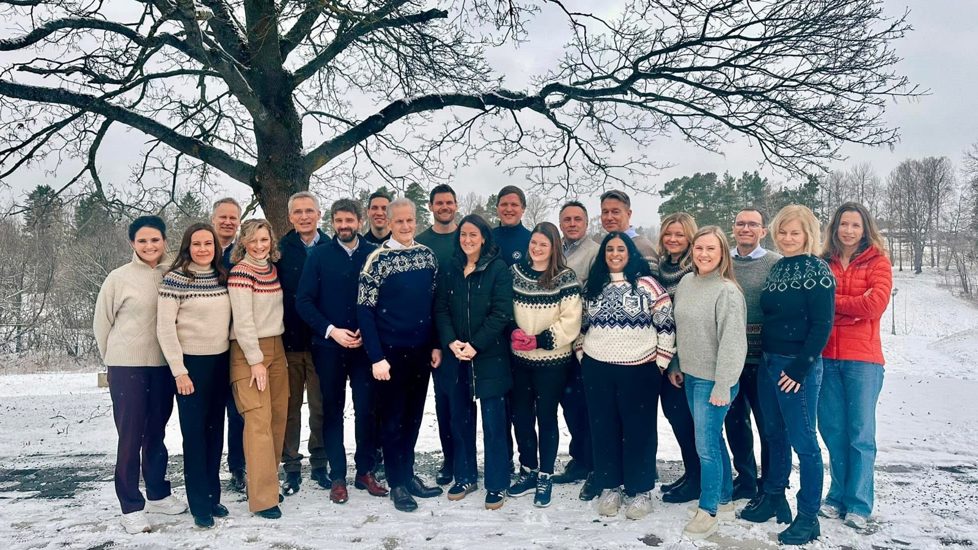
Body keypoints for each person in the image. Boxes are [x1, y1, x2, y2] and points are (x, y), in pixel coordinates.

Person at [740, 204, 835, 546]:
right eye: (782, 231)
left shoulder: (818, 270)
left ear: (808, 234)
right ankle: (773, 496)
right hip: (768, 363)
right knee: (773, 434)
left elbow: (823, 324)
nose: (788, 238)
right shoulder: (778, 267)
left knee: (804, 443)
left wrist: (799, 369)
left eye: (795, 232)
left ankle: (808, 516)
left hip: (797, 368)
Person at [93, 215, 187, 534]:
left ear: (164, 241)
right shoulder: (118, 278)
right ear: (132, 243)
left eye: (155, 239)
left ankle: (158, 493)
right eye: (142, 240)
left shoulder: (174, 273)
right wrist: (114, 359)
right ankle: (130, 505)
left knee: (156, 432)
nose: (149, 245)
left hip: (163, 365)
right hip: (126, 366)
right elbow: (102, 323)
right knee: (131, 435)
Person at [577, 232, 675, 520]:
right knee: (603, 429)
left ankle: (640, 490)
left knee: (639, 431)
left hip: (640, 368)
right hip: (598, 369)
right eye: (610, 249)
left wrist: (660, 363)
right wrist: (584, 356)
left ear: (630, 253)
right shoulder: (594, 286)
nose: (615, 254)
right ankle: (610, 486)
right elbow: (580, 326)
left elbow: (666, 324)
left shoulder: (648, 285)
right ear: (603, 254)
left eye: (621, 249)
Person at [296, 199, 388, 504]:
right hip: (328, 347)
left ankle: (365, 471)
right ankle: (337, 476)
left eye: (349, 220)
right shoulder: (320, 256)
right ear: (332, 222)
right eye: (339, 221)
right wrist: (331, 330)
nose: (344, 226)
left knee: (367, 409)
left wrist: (368, 329)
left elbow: (384, 297)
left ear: (360, 222)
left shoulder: (373, 254)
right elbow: (304, 301)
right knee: (332, 410)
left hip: (364, 347)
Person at [357, 198, 443, 512]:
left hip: (420, 352)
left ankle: (407, 474)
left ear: (416, 221)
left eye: (410, 220)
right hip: (389, 355)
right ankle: (397, 483)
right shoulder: (377, 260)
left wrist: (435, 344)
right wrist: (376, 357)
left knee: (413, 417)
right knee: (392, 420)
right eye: (399, 221)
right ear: (389, 223)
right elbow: (364, 311)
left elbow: (434, 304)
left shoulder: (427, 257)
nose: (405, 226)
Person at [818, 202, 893, 532]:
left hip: (863, 360)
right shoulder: (823, 262)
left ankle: (859, 503)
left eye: (855, 225)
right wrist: (852, 309)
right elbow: (815, 305)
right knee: (833, 431)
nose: (848, 230)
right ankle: (837, 497)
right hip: (825, 358)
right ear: (835, 227)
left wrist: (834, 305)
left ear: (865, 230)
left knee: (860, 434)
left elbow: (874, 305)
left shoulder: (878, 262)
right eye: (843, 224)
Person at [434, 214, 514, 509]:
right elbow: (441, 308)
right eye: (463, 235)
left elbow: (501, 312)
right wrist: (451, 341)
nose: (467, 240)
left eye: (473, 235)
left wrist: (475, 345)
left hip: (489, 356)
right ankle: (465, 475)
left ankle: (497, 482)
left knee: (494, 423)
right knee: (460, 419)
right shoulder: (451, 267)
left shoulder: (498, 269)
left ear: (483, 238)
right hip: (456, 356)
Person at [157, 223, 232, 529]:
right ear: (188, 247)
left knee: (215, 433)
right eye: (197, 244)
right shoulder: (175, 279)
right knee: (195, 436)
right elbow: (165, 328)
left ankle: (213, 497)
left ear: (216, 247)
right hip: (190, 366)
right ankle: (199, 503)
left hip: (221, 363)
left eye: (208, 244)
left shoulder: (222, 277)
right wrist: (179, 371)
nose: (203, 249)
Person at [674, 226, 747, 540]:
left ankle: (709, 512)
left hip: (714, 381)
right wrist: (676, 363)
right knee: (713, 441)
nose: (703, 254)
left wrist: (723, 384)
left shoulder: (727, 291)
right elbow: (681, 328)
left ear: (722, 254)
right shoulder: (686, 282)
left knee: (705, 448)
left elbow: (733, 343)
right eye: (699, 248)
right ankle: (725, 500)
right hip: (691, 375)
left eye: (711, 249)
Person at [508, 222, 583, 508]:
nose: (537, 249)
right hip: (520, 360)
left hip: (552, 362)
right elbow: (504, 306)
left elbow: (571, 321)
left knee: (547, 417)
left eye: (543, 244)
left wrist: (540, 340)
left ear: (553, 248)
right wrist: (512, 331)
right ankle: (528, 469)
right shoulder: (515, 273)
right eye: (534, 243)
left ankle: (545, 474)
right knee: (521, 417)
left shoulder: (565, 278)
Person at [228, 219, 289, 520]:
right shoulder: (241, 273)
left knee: (277, 419)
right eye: (252, 240)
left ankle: (268, 484)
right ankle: (262, 499)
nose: (259, 245)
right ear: (243, 242)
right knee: (258, 423)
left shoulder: (272, 270)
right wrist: (255, 360)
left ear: (271, 241)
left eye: (264, 239)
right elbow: (242, 322)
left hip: (276, 346)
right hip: (249, 350)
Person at [726, 208, 781, 501]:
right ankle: (745, 479)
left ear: (763, 231)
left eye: (752, 224)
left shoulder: (775, 263)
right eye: (740, 223)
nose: (746, 228)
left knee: (768, 425)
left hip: (763, 360)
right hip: (730, 359)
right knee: (735, 424)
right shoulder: (724, 261)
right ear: (733, 228)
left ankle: (770, 483)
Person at [276, 191, 328, 496]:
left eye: (310, 211)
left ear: (319, 214)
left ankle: (320, 463)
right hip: (290, 342)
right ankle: (292, 466)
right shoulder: (281, 250)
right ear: (290, 217)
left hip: (323, 343)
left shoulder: (331, 247)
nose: (304, 216)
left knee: (321, 408)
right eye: (298, 212)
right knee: (290, 408)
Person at [651, 212, 702, 504]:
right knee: (676, 417)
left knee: (686, 420)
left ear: (690, 237)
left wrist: (676, 362)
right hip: (665, 355)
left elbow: (688, 321)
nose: (673, 239)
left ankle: (698, 479)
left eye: (680, 234)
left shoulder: (694, 269)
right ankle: (691, 472)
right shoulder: (661, 267)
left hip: (685, 360)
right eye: (668, 234)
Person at [553, 201, 600, 500]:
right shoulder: (556, 251)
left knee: (587, 406)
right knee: (569, 405)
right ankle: (579, 458)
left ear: (586, 222)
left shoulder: (594, 252)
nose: (572, 224)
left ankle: (593, 462)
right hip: (558, 343)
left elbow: (594, 295)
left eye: (577, 219)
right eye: (567, 219)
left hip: (585, 342)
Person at [416, 184, 461, 487]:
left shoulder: (467, 237)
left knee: (461, 402)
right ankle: (449, 459)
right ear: (431, 206)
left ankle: (464, 457)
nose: (444, 207)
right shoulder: (422, 243)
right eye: (439, 203)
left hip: (463, 334)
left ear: (455, 205)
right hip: (428, 335)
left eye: (449, 202)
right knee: (442, 403)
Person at [211, 197, 246, 492]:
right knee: (210, 413)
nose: (227, 222)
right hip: (206, 346)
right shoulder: (201, 250)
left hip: (236, 343)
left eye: (233, 218)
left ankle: (238, 467)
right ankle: (208, 469)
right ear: (213, 219)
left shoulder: (242, 254)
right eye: (223, 217)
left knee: (238, 411)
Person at [599, 190, 658, 264]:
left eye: (615, 212)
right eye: (605, 212)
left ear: (628, 214)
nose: (609, 217)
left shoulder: (643, 248)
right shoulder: (604, 247)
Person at [493, 185, 532, 266]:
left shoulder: (532, 241)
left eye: (514, 205)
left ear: (523, 208)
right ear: (497, 208)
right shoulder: (486, 238)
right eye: (504, 204)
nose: (509, 209)